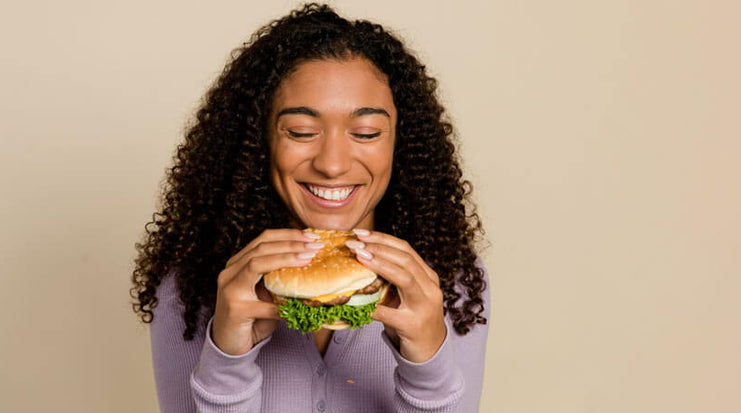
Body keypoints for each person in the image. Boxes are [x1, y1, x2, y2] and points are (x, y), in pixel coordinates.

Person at [131, 4, 489, 412]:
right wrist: (228, 357)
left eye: (366, 132)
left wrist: (428, 364)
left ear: (400, 143)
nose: (332, 164)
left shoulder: (451, 282)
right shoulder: (191, 288)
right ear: (257, 140)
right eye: (301, 131)